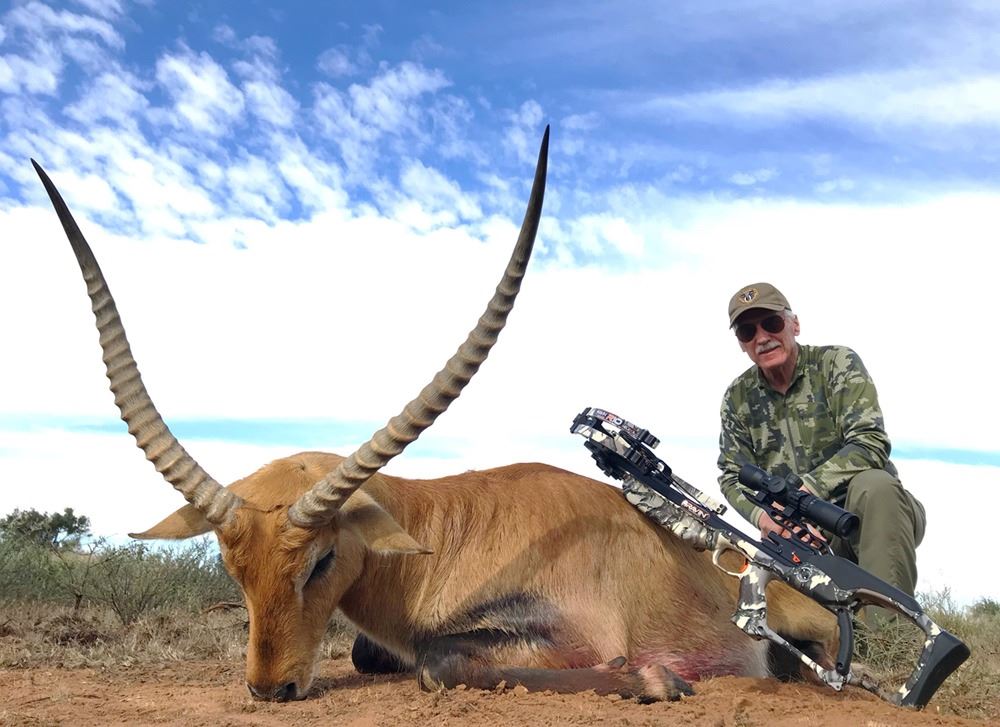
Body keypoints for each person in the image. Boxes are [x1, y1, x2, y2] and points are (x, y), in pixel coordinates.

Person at [717, 282, 926, 607]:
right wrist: (766, 519)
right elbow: (732, 475)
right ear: (742, 344)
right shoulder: (737, 398)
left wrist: (803, 493)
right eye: (747, 331)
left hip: (867, 517)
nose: (762, 337)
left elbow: (869, 441)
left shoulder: (837, 363)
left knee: (876, 486)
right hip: (797, 535)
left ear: (794, 324)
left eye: (771, 323)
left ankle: (891, 632)